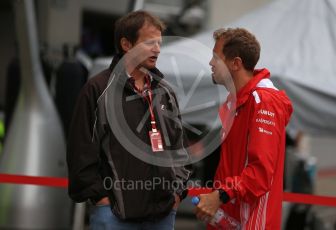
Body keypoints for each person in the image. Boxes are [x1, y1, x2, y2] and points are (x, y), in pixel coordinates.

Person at [67, 11, 191, 229]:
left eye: (159, 43)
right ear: (126, 44)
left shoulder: (165, 92)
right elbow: (80, 151)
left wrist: (177, 194)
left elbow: (180, 148)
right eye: (150, 42)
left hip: (163, 215)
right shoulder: (97, 90)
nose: (157, 49)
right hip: (114, 216)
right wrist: (101, 200)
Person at [194, 28, 293, 229]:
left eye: (216, 57)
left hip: (251, 222)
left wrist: (220, 196)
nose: (211, 63)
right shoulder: (236, 102)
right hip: (229, 218)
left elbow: (260, 173)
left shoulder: (264, 101)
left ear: (235, 63)